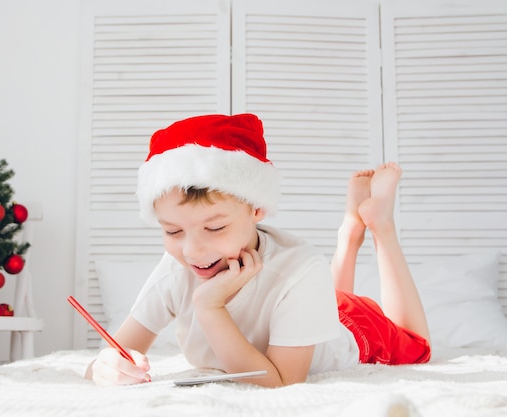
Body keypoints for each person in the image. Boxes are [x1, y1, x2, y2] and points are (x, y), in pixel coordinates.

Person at [85, 113, 431, 388]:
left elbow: (280, 381)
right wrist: (105, 367)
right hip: (307, 304)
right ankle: (350, 232)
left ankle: (380, 226)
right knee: (328, 291)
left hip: (352, 326)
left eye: (215, 228)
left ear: (256, 209)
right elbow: (114, 351)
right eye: (172, 231)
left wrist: (209, 306)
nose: (192, 250)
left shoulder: (301, 268)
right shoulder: (175, 268)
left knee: (419, 345)